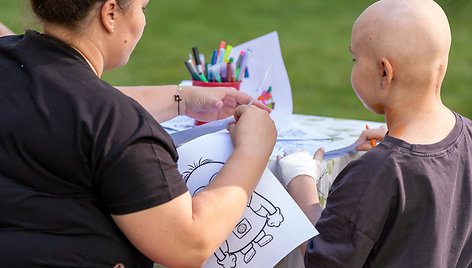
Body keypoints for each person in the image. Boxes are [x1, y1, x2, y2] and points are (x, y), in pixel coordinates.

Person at [0, 0, 276, 267]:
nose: (143, 20)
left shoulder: (9, 60)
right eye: (142, 8)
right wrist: (252, 150)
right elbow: (188, 245)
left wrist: (181, 98)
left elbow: (64, 99)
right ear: (110, 14)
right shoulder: (119, 126)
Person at [277, 0, 472, 267]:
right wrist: (395, 141)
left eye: (354, 58)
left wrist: (301, 181)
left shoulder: (374, 174)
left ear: (384, 72)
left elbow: (321, 259)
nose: (352, 65)